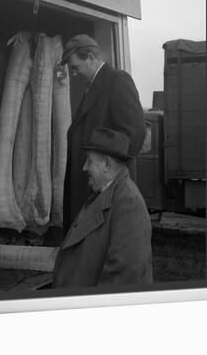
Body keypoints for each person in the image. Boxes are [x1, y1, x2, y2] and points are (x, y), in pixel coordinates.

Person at [61, 34, 146, 231]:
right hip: (91, 185)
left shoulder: (118, 80)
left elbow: (134, 134)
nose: (74, 74)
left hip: (104, 188)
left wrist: (108, 175)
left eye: (75, 67)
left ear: (90, 58)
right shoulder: (91, 88)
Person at [53, 127, 153, 288]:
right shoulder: (105, 192)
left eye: (89, 161)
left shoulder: (129, 204)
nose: (85, 167)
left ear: (106, 164)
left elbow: (122, 277)